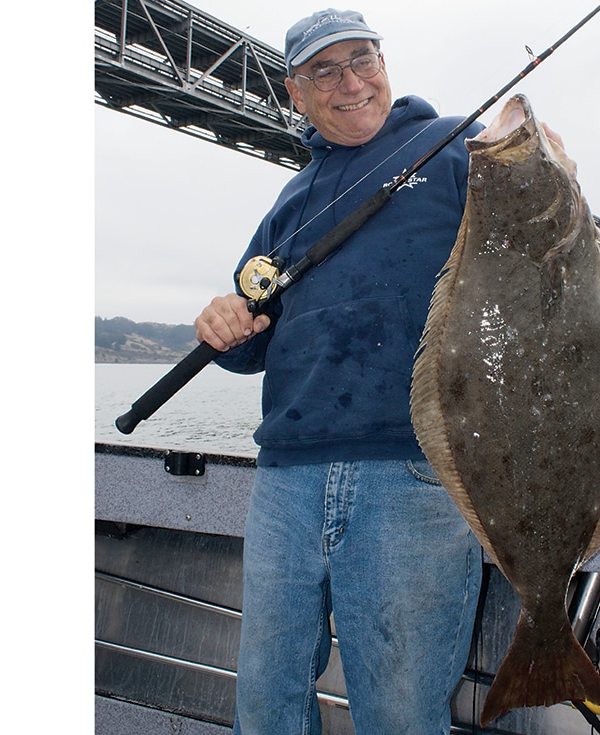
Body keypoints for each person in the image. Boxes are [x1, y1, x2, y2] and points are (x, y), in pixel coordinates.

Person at [195, 9, 484, 735]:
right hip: (286, 477)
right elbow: (250, 338)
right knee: (265, 701)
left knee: (399, 712)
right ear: (295, 93)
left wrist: (544, 167)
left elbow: (541, 245)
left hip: (413, 471)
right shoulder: (290, 202)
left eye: (364, 59)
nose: (352, 81)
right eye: (326, 70)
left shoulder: (456, 149)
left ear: (385, 65)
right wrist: (223, 323)